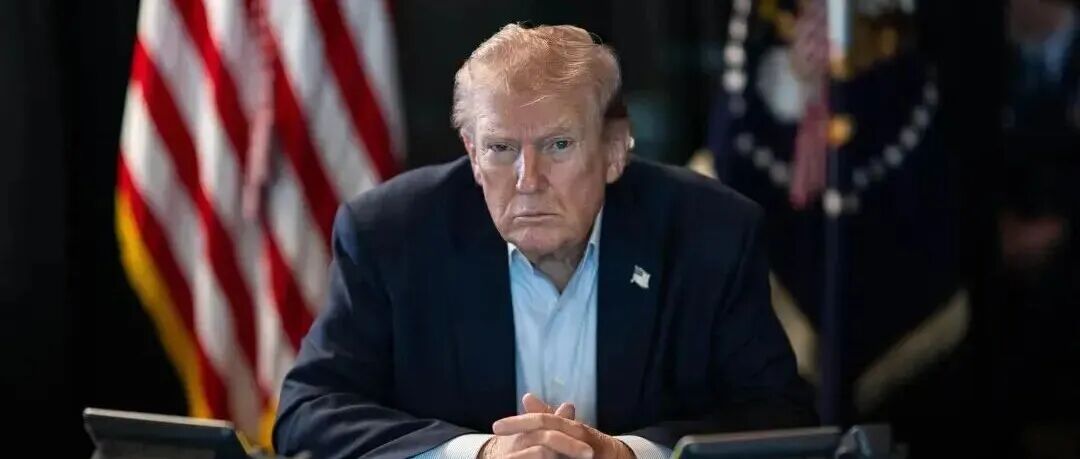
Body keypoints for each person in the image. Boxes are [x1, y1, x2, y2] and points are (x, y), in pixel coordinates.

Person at [272, 23, 815, 459]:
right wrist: (479, 453)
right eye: (501, 148)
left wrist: (628, 454)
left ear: (614, 150)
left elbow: (779, 416)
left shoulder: (710, 232)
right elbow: (309, 410)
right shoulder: (390, 234)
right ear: (472, 153)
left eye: (558, 145)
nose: (528, 180)